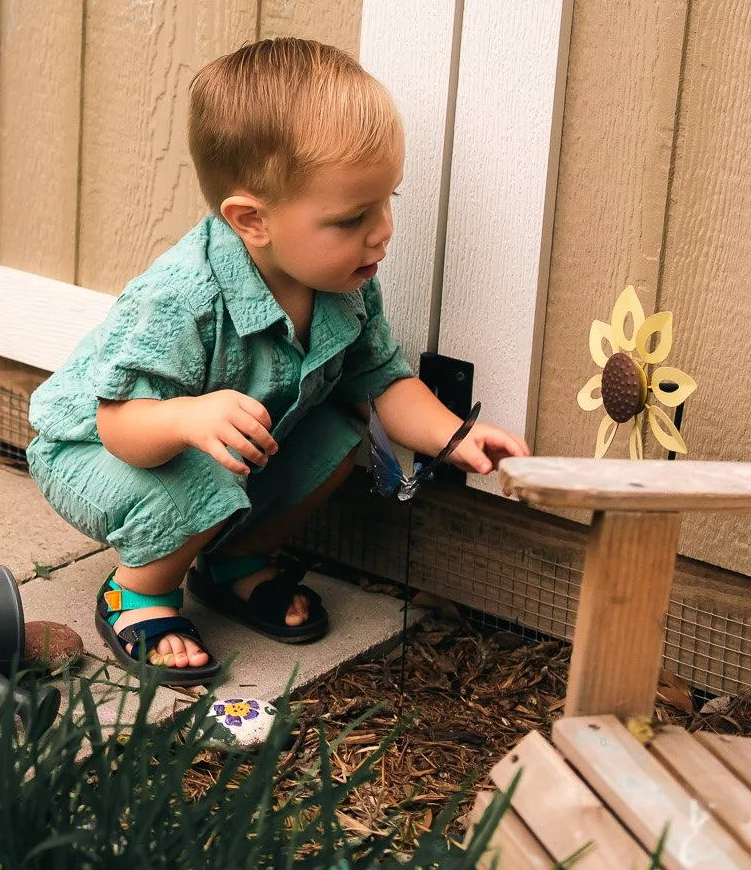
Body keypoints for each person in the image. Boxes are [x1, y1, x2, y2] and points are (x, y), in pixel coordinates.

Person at [26, 38, 529, 679]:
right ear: (251, 220)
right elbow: (118, 427)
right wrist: (186, 419)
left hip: (209, 456)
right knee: (202, 475)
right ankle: (138, 591)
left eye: (388, 201)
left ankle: (233, 561)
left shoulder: (346, 284)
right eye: (352, 218)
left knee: (345, 429)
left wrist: (453, 435)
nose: (382, 231)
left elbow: (382, 380)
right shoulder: (182, 297)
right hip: (93, 453)